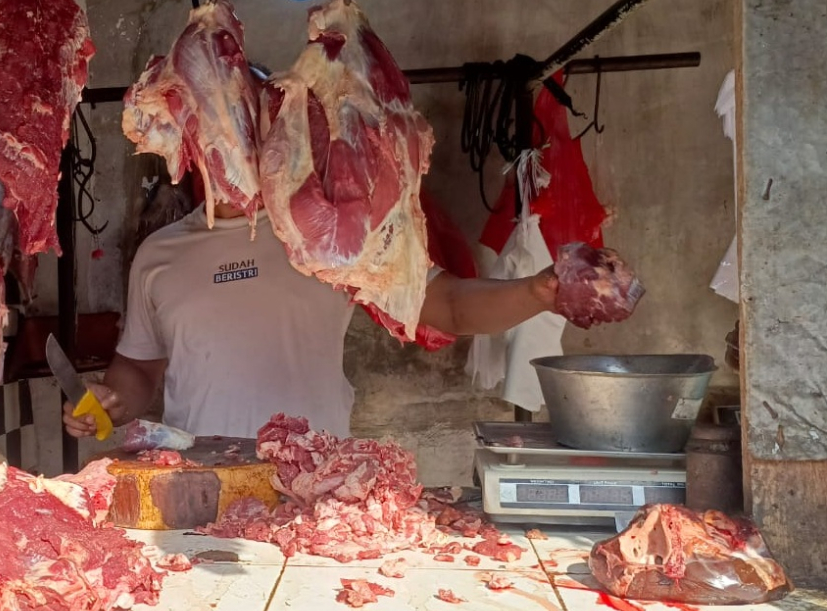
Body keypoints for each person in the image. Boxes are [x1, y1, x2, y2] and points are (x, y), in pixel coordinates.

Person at [62, 189, 559, 442]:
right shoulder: (159, 253)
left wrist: (538, 291)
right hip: (198, 482)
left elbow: (449, 305)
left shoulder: (331, 236)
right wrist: (114, 402)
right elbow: (140, 366)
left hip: (316, 480)